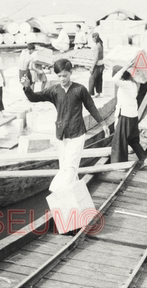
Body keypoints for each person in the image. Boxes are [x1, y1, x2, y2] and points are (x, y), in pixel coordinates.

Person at [20, 58, 110, 193]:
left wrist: (103, 124)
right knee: (65, 167)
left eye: (65, 75)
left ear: (71, 73)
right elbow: (34, 98)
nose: (62, 79)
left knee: (70, 166)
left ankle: (57, 191)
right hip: (61, 134)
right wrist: (27, 87)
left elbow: (91, 107)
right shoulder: (54, 90)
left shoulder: (80, 89)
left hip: (77, 133)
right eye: (59, 76)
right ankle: (73, 196)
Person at [110, 65, 147, 168]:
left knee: (119, 141)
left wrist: (124, 68)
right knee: (133, 140)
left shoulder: (126, 85)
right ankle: (144, 159)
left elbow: (114, 79)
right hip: (132, 115)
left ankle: (119, 165)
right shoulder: (133, 84)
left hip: (126, 115)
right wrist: (116, 118)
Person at [88, 32, 105, 98]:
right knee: (99, 79)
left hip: (97, 65)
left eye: (92, 38)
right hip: (102, 64)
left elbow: (96, 58)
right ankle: (99, 92)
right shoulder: (101, 44)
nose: (92, 40)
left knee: (91, 79)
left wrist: (92, 67)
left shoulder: (96, 46)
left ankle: (91, 94)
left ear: (94, 38)